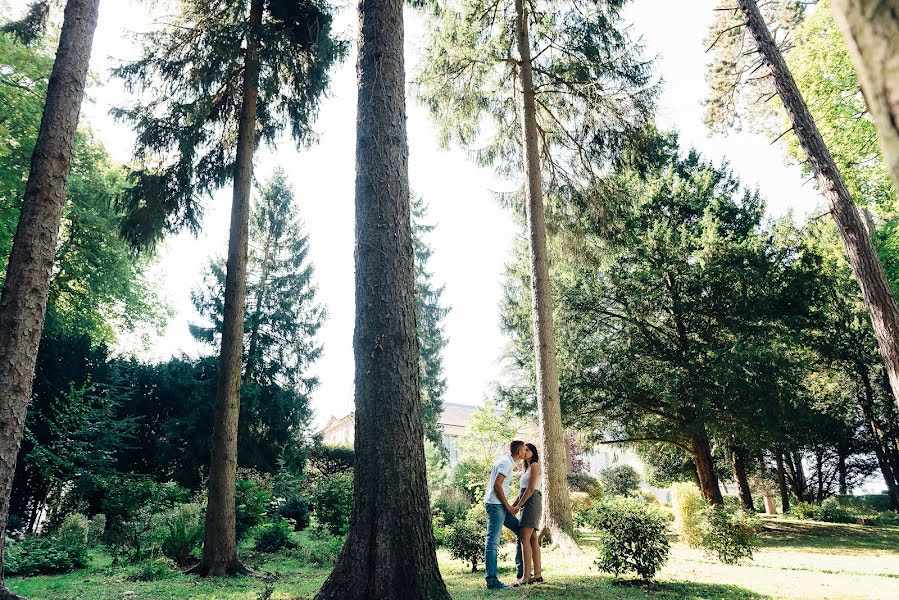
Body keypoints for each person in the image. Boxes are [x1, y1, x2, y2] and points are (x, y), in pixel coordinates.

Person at [483, 439, 526, 590]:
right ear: (519, 452)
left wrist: (508, 506)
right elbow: (497, 485)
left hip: (500, 505)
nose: (526, 452)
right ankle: (492, 580)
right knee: (492, 543)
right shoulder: (506, 463)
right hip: (496, 505)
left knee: (521, 531)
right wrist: (508, 506)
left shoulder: (507, 461)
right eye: (525, 450)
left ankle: (522, 573)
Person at [512, 442, 543, 586]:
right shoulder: (528, 468)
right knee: (532, 539)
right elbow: (523, 491)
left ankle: (525, 577)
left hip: (532, 501)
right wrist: (513, 506)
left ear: (533, 452)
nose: (525, 452)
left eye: (527, 450)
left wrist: (518, 506)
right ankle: (537, 575)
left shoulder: (535, 466)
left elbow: (530, 490)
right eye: (524, 450)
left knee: (524, 538)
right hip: (528, 501)